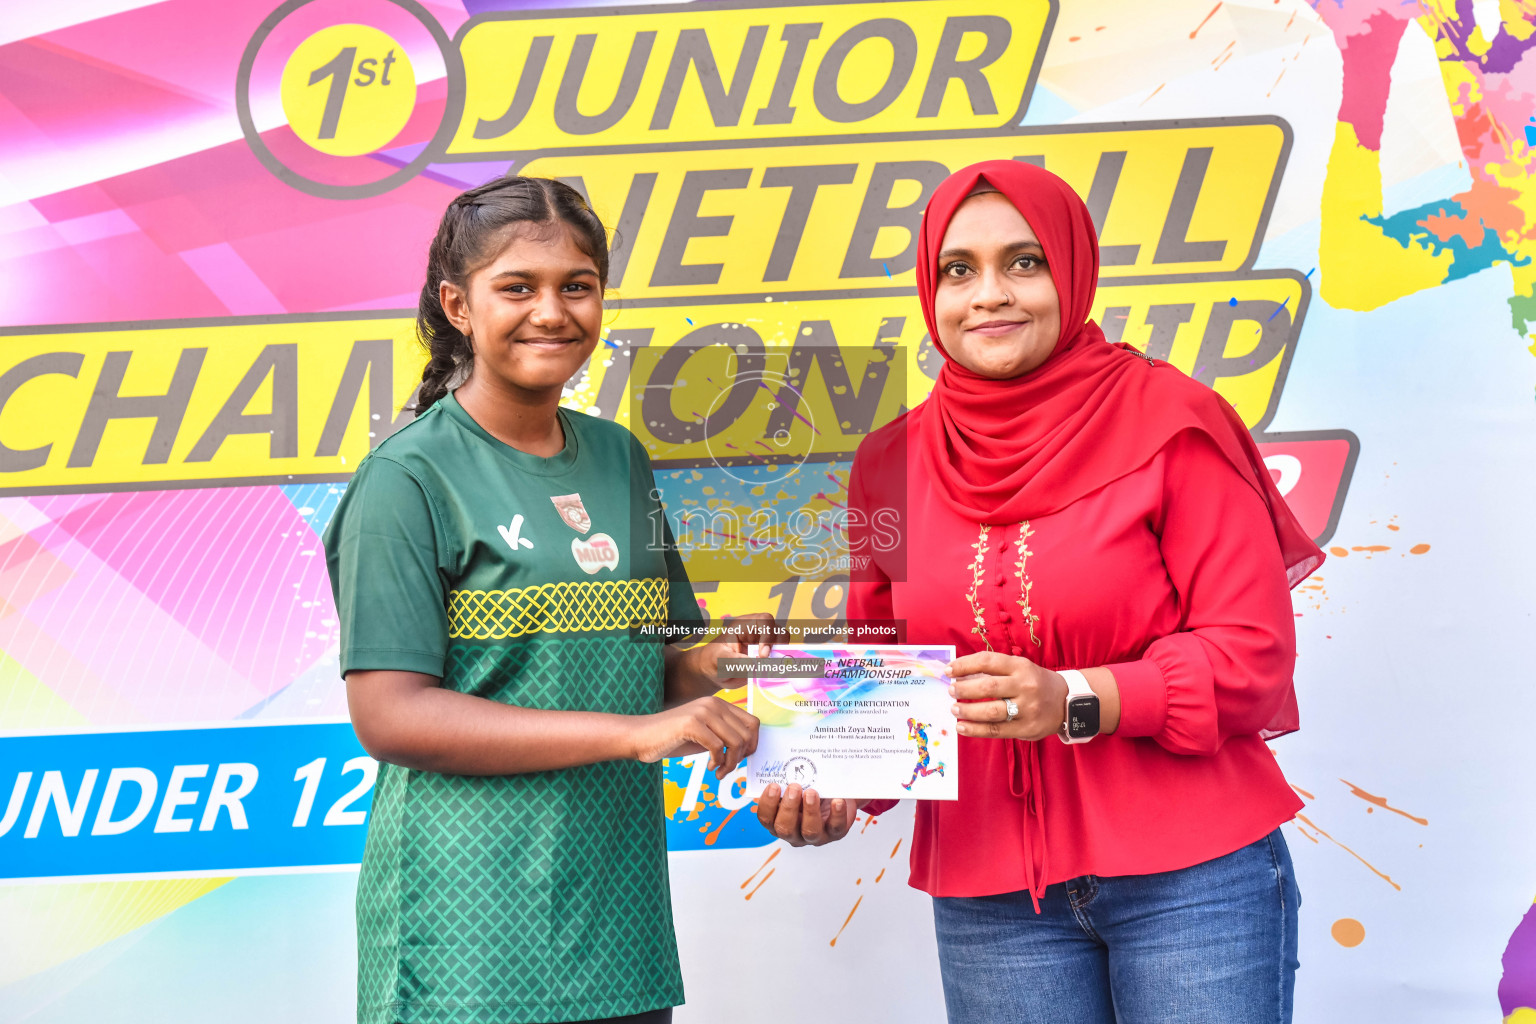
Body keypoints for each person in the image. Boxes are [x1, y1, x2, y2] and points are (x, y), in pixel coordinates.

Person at [754, 160, 1324, 1023]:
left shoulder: (1174, 423)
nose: (989, 294)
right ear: (929, 290)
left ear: (1072, 270)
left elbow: (1250, 655)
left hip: (1193, 878)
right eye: (959, 269)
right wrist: (829, 786)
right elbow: (886, 668)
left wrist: (1074, 698)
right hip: (994, 899)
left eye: (1024, 263)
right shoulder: (888, 463)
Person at [323, 176, 771, 1024]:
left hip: (616, 919)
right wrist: (638, 735)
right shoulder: (406, 478)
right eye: (517, 288)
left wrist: (729, 661)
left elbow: (657, 667)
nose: (553, 312)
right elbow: (392, 716)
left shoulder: (619, 457)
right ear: (458, 305)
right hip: (465, 937)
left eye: (578, 285)